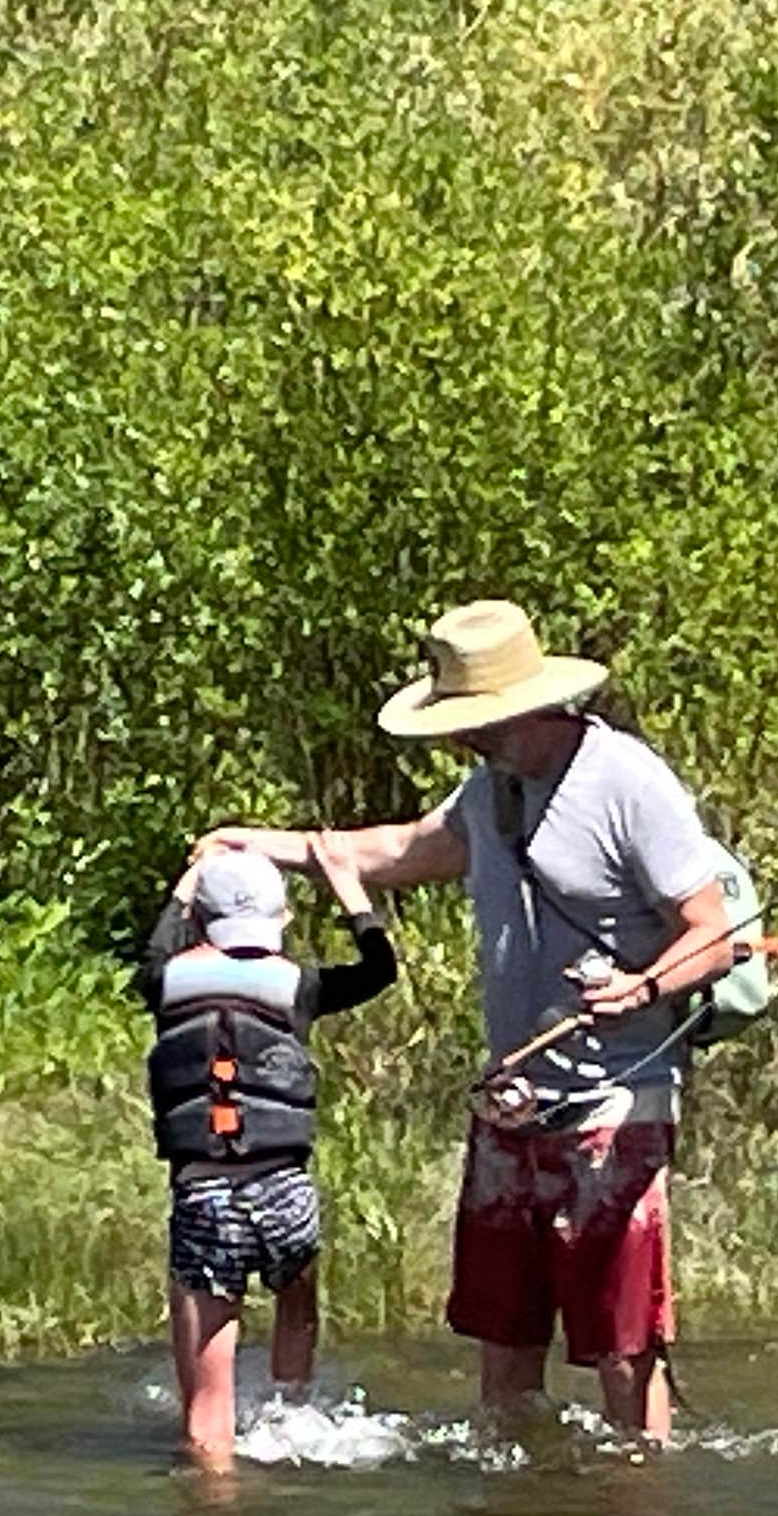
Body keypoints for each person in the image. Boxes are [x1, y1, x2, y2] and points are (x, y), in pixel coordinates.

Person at [205, 599, 739, 1441]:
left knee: (623, 1343)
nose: (463, 742)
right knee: (503, 1331)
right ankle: (512, 1508)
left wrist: (642, 987)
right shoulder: (488, 793)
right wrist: (251, 843)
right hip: (513, 1101)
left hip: (618, 1102)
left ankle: (639, 1514)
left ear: (533, 705)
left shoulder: (629, 781)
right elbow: (393, 853)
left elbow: (714, 936)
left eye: (477, 726)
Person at [141, 832, 397, 1471]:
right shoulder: (300, 986)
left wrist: (189, 880)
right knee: (297, 1289)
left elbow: (155, 947)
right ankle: (293, 1409)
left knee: (206, 1412)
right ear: (280, 919)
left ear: (199, 919)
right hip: (285, 1191)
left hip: (205, 1196)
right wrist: (346, 884)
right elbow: (379, 969)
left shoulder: (164, 981)